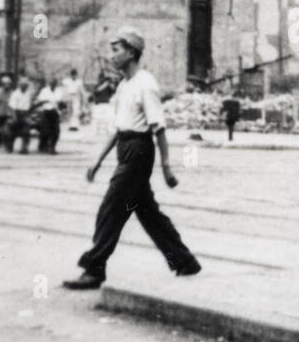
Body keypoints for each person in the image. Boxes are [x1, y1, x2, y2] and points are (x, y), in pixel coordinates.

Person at [64, 27, 202, 289]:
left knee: (111, 209)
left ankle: (94, 269)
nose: (111, 56)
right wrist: (98, 161)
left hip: (139, 151)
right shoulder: (124, 86)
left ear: (130, 52)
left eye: (116, 50)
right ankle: (184, 261)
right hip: (126, 148)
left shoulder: (146, 84)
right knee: (148, 213)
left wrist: (166, 168)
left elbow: (158, 128)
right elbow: (118, 129)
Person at [35, 78, 62, 154]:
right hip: (46, 112)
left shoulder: (59, 91)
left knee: (56, 132)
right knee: (45, 131)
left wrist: (60, 105)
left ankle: (52, 147)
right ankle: (43, 146)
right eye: (52, 83)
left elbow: (60, 102)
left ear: (56, 84)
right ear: (49, 84)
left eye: (54, 83)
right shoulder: (44, 91)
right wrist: (45, 101)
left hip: (55, 112)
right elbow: (40, 101)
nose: (53, 85)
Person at [7, 78, 33, 155]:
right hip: (17, 113)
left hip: (25, 113)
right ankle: (9, 145)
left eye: (25, 85)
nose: (24, 87)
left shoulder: (28, 93)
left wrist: (29, 116)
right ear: (19, 85)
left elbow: (29, 105)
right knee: (14, 132)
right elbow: (12, 106)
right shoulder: (15, 94)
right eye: (22, 85)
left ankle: (24, 148)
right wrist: (14, 117)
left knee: (26, 132)